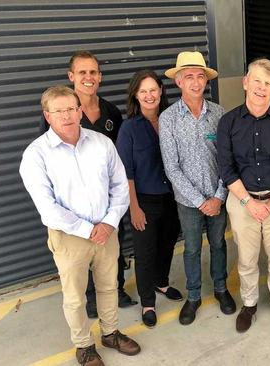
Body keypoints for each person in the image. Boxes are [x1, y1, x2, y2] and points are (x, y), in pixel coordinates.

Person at [21, 85, 140, 366]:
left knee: (109, 286)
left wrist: (109, 223)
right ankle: (84, 346)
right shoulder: (36, 155)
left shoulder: (102, 143)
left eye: (71, 109)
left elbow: (120, 187)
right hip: (69, 236)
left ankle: (110, 333)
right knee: (74, 296)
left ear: (79, 110)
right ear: (47, 116)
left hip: (106, 231)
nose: (67, 116)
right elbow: (47, 207)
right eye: (59, 111)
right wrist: (88, 230)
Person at [41, 51, 136, 317]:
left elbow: (119, 155)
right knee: (83, 254)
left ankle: (116, 288)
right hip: (75, 206)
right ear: (71, 76)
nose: (88, 77)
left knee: (113, 244)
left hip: (108, 201)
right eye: (82, 72)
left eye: (93, 72)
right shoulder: (61, 114)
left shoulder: (110, 111)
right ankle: (90, 297)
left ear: (100, 77)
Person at [217, 58, 270, 333]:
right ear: (245, 83)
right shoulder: (228, 123)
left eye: (268, 83)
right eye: (256, 81)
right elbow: (226, 169)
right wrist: (248, 202)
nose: (261, 88)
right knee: (247, 258)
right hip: (242, 199)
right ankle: (249, 303)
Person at [160, 51, 236, 325]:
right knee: (191, 248)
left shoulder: (219, 113)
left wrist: (217, 196)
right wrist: (198, 200)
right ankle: (193, 296)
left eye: (200, 76)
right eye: (188, 76)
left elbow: (227, 159)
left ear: (206, 81)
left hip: (218, 196)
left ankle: (220, 289)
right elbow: (171, 167)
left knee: (218, 244)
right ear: (178, 81)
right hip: (188, 201)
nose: (195, 82)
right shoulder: (168, 119)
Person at [115, 70, 182, 328]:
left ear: (161, 91)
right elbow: (126, 172)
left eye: (153, 90)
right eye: (143, 91)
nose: (149, 95)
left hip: (172, 198)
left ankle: (161, 282)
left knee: (167, 244)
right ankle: (148, 302)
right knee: (145, 253)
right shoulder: (129, 128)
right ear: (135, 95)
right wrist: (134, 208)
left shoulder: (171, 121)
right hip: (144, 200)